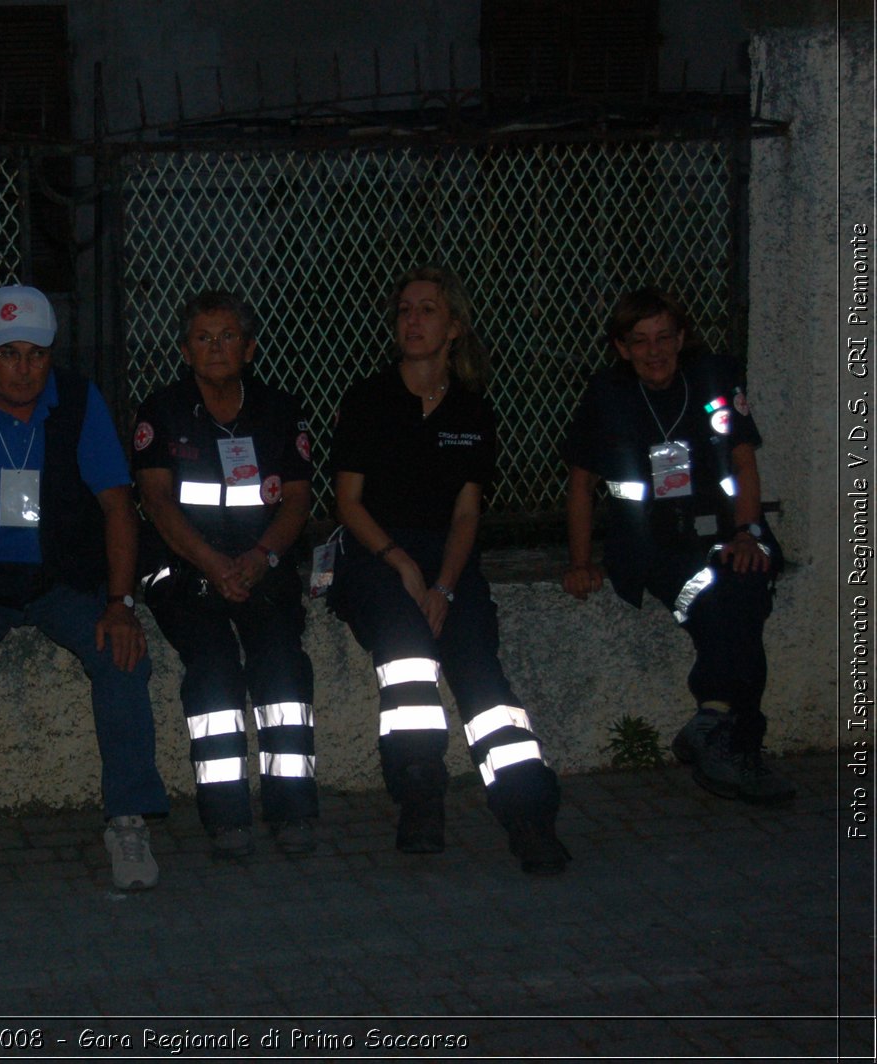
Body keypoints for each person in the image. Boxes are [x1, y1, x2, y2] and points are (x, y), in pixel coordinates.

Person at [0, 284, 170, 899]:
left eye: (36, 354)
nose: (23, 368)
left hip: (60, 577)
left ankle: (127, 818)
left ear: (52, 355)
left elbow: (117, 506)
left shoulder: (77, 402)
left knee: (124, 655)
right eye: (8, 353)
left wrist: (120, 604)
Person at [327, 266, 570, 874]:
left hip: (450, 565)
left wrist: (444, 584)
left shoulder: (474, 413)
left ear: (454, 326)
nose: (413, 320)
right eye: (405, 309)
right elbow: (348, 504)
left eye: (428, 309)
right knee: (408, 663)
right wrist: (403, 566)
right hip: (379, 558)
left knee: (482, 683)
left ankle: (529, 818)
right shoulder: (368, 399)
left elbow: (467, 515)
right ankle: (420, 800)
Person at [561, 287, 793, 803]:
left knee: (745, 589)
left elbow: (744, 463)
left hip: (728, 534)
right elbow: (580, 484)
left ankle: (713, 723)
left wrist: (747, 533)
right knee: (730, 608)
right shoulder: (608, 394)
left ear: (682, 337)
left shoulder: (712, 378)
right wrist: (579, 563)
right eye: (640, 341)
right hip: (654, 548)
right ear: (621, 348)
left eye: (664, 336)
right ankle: (736, 743)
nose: (654, 350)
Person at [132, 290, 317, 857]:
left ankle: (292, 811)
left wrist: (260, 560)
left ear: (250, 347)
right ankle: (227, 817)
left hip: (263, 570)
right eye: (204, 338)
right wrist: (213, 565)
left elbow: (298, 500)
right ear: (186, 351)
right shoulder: (160, 412)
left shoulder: (281, 410)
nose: (216, 348)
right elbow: (157, 503)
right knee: (213, 671)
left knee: (283, 666)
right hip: (187, 573)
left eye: (228, 336)